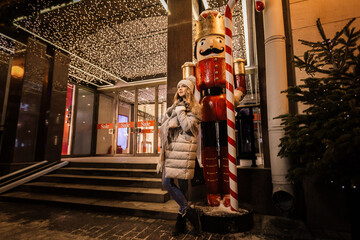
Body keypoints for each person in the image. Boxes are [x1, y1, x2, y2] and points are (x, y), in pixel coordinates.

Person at [157, 76, 201, 236]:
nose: (180, 89)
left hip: (183, 151)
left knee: (182, 187)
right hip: (171, 150)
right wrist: (171, 113)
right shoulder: (174, 107)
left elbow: (189, 128)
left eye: (183, 86)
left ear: (189, 90)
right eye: (178, 86)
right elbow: (165, 125)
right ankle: (188, 212)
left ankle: (181, 220)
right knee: (166, 182)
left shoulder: (195, 108)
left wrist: (180, 112)